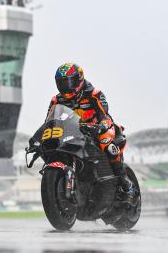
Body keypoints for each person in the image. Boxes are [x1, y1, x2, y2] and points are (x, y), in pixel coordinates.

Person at [48, 63, 135, 201]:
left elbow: (104, 115)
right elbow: (50, 122)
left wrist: (101, 125)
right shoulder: (56, 100)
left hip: (98, 128)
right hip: (73, 132)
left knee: (107, 144)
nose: (66, 87)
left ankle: (125, 183)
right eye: (62, 83)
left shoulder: (94, 94)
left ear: (79, 79)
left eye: (69, 82)